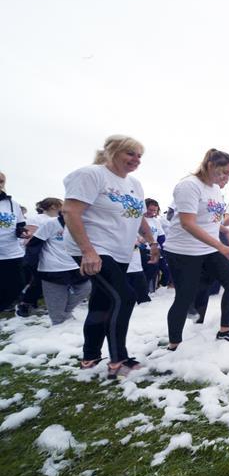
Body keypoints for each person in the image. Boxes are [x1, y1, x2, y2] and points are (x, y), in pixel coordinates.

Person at [61, 135, 159, 378]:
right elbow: (71, 211)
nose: (136, 159)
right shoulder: (91, 174)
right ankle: (119, 359)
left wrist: (152, 241)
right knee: (125, 297)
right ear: (112, 152)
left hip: (120, 250)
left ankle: (90, 355)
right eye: (130, 153)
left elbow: (139, 216)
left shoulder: (134, 183)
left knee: (102, 301)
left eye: (139, 155)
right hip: (94, 248)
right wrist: (88, 251)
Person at [163, 149, 229, 350]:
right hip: (183, 250)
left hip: (208, 248)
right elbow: (188, 223)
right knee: (184, 295)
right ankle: (174, 345)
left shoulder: (215, 189)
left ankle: (224, 331)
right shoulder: (189, 186)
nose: (226, 178)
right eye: (223, 172)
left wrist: (225, 230)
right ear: (209, 165)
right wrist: (221, 246)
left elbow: (210, 219)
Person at [24, 211, 92, 325]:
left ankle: (65, 314)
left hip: (75, 265)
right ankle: (59, 325)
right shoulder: (51, 224)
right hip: (53, 268)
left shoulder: (86, 224)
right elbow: (34, 244)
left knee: (85, 288)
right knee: (56, 307)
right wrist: (32, 265)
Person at [17, 197, 63, 317]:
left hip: (57, 255)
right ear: (53, 206)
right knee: (38, 281)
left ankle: (55, 304)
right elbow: (29, 237)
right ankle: (25, 304)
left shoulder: (58, 219)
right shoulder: (38, 218)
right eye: (61, 204)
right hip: (40, 255)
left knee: (50, 282)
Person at [0, 171, 28, 313]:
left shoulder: (12, 204)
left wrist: (21, 231)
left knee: (17, 285)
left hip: (12, 254)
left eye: (1, 181)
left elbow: (19, 224)